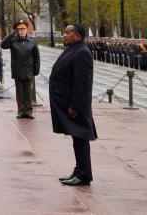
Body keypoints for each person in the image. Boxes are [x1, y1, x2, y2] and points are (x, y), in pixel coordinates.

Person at [49, 24, 97, 186]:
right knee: (77, 138)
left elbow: (82, 83)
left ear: (77, 35)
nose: (64, 35)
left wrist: (74, 106)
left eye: (68, 33)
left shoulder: (82, 52)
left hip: (76, 105)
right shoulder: (73, 48)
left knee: (81, 138)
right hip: (68, 102)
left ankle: (84, 175)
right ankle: (79, 171)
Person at [0, 20, 40, 119]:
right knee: (20, 93)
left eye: (23, 29)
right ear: (17, 31)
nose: (22, 31)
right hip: (17, 70)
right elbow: (3, 45)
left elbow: (36, 57)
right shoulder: (13, 40)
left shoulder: (32, 41)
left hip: (28, 70)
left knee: (28, 93)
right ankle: (21, 111)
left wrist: (36, 70)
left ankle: (29, 112)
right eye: (19, 29)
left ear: (27, 30)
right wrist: (11, 33)